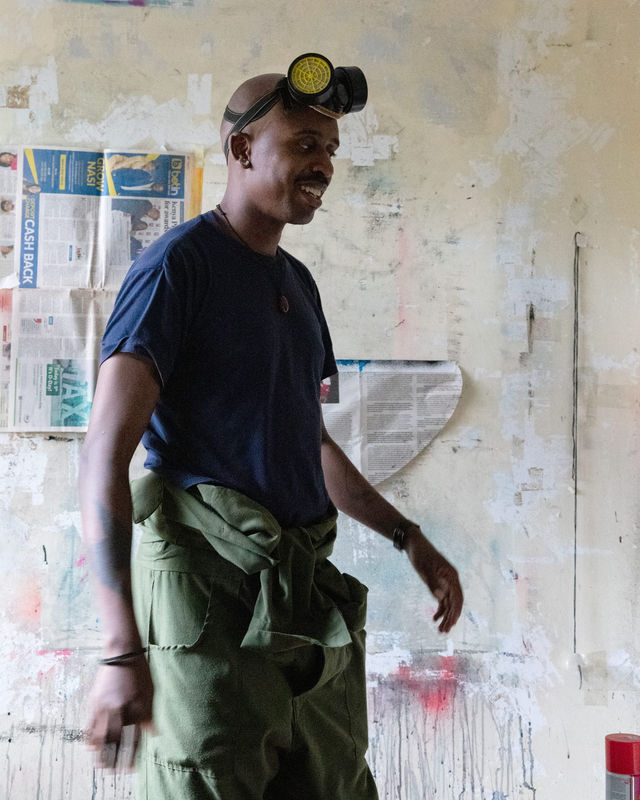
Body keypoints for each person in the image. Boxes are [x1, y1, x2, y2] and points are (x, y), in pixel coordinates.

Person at [79, 54, 464, 800]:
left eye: (330, 150)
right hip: (210, 602)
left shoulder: (296, 281)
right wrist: (121, 650)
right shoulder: (176, 270)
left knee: (334, 784)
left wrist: (408, 537)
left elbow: (308, 440)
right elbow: (104, 454)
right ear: (242, 149)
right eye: (304, 144)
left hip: (301, 601)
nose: (322, 164)